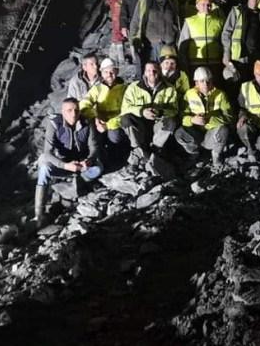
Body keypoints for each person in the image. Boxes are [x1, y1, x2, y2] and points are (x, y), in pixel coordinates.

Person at [35, 98, 103, 226]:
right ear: (63, 112)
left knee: (98, 168)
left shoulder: (87, 122)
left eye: (76, 110)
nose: (73, 114)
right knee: (43, 165)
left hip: (81, 164)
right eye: (69, 110)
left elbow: (94, 147)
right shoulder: (55, 124)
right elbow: (47, 152)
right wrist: (65, 165)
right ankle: (39, 215)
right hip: (64, 163)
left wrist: (89, 160)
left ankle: (77, 183)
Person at [119, 61, 178, 170]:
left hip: (158, 124)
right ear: (144, 73)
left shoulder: (169, 88)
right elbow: (125, 108)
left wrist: (160, 111)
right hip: (140, 124)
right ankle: (139, 151)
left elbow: (174, 110)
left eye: (155, 70)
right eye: (149, 70)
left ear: (159, 72)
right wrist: (142, 111)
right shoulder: (133, 88)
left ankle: (154, 151)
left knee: (171, 121)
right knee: (126, 118)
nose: (152, 73)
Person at [175, 67, 233, 166]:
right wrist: (192, 120)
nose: (205, 84)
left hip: (212, 134)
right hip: (196, 133)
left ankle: (216, 155)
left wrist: (210, 119)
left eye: (208, 81)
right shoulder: (189, 94)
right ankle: (195, 154)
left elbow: (229, 117)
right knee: (179, 133)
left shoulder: (220, 95)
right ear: (196, 83)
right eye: (202, 81)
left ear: (212, 81)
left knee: (224, 130)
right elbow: (182, 116)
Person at [79, 58, 128, 155]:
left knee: (115, 136)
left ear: (117, 72)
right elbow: (84, 104)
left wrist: (108, 125)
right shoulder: (97, 89)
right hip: (99, 121)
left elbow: (126, 111)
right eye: (106, 72)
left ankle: (117, 153)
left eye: (112, 72)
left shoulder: (124, 89)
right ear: (101, 73)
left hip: (116, 122)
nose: (109, 75)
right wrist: (95, 117)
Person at [129, 0, 180, 67]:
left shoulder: (173, 3)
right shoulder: (145, 2)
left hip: (170, 48)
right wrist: (133, 44)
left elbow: (177, 23)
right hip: (151, 48)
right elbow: (135, 23)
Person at [222, 0, 260, 80]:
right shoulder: (237, 11)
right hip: (238, 57)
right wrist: (226, 52)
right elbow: (226, 33)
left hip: (255, 58)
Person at [177, 0, 225, 77]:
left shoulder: (219, 22)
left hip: (215, 64)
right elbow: (182, 45)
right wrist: (184, 64)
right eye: (203, 4)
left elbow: (224, 43)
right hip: (195, 64)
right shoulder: (190, 21)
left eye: (209, 4)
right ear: (197, 6)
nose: (206, 7)